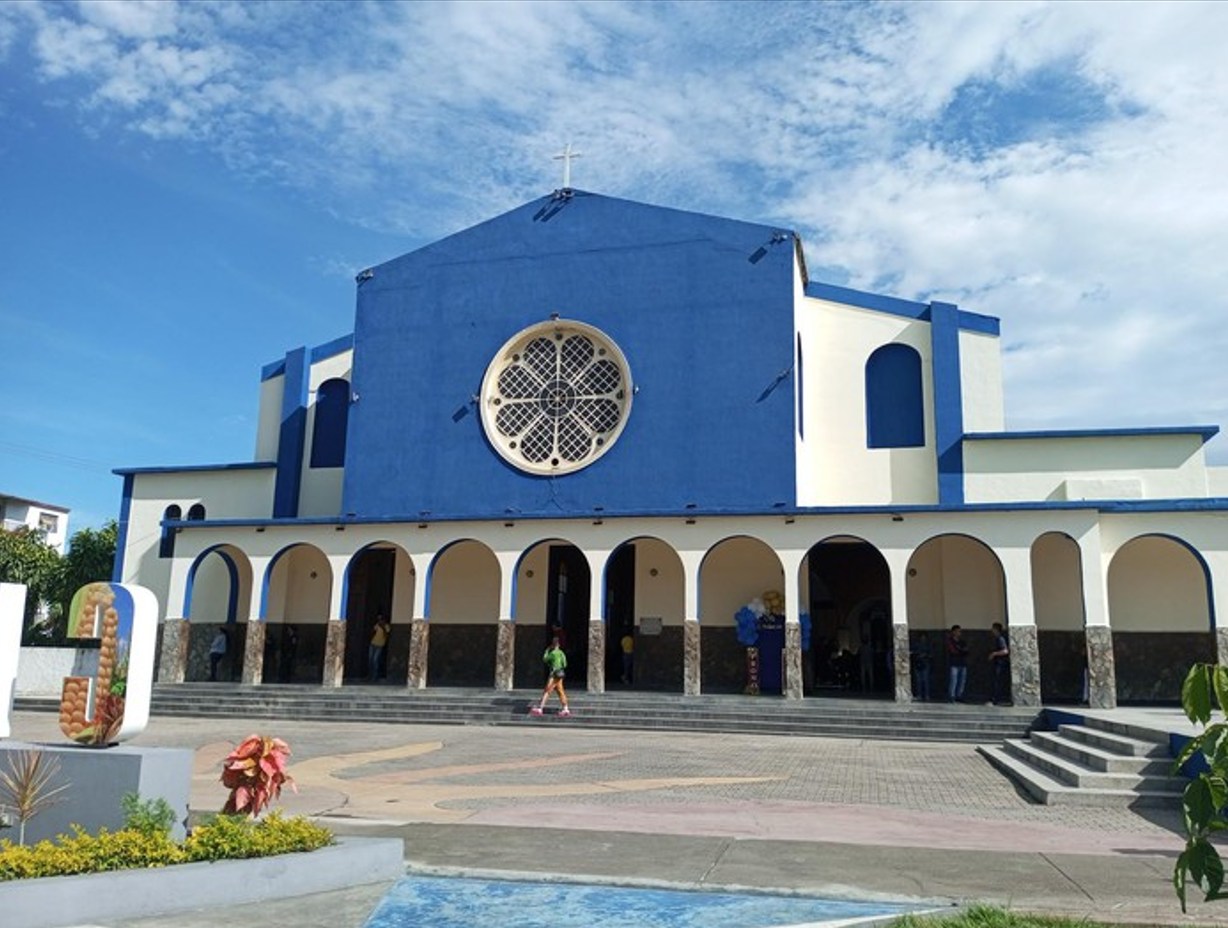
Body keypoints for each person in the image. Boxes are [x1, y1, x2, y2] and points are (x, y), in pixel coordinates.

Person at [531, 636, 571, 717]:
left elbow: (545, 659)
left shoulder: (552, 653)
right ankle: (565, 709)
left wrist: (547, 651)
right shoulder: (561, 653)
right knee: (560, 691)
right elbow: (565, 664)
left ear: (553, 645)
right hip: (560, 674)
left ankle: (540, 708)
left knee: (547, 690)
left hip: (553, 674)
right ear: (559, 645)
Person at [989, 622, 1011, 705]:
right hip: (998, 663)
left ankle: (996, 699)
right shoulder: (997, 638)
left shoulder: (1000, 639)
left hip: (1000, 663)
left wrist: (994, 654)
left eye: (993, 628)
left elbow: (1005, 651)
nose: (992, 630)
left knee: (998, 681)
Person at [946, 624, 968, 702]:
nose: (959, 633)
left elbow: (966, 651)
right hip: (954, 663)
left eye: (960, 631)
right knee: (954, 680)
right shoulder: (950, 641)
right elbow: (953, 651)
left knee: (962, 681)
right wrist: (961, 650)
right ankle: (952, 695)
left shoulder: (962, 641)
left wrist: (960, 650)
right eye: (958, 631)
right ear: (953, 632)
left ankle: (959, 695)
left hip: (962, 663)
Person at [910, 631, 932, 701]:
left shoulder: (928, 645)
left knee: (925, 681)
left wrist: (925, 655)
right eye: (922, 637)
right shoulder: (916, 645)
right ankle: (920, 695)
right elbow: (911, 652)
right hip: (918, 664)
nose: (923, 638)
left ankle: (926, 695)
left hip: (925, 664)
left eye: (924, 637)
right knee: (918, 681)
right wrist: (917, 654)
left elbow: (931, 655)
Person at [369, 615, 391, 682]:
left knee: (375, 660)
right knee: (370, 659)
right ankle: (370, 675)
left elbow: (387, 634)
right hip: (373, 643)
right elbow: (372, 631)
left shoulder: (386, 626)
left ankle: (375, 676)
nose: (380, 621)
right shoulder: (377, 625)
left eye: (381, 619)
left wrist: (383, 627)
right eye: (379, 620)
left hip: (380, 645)